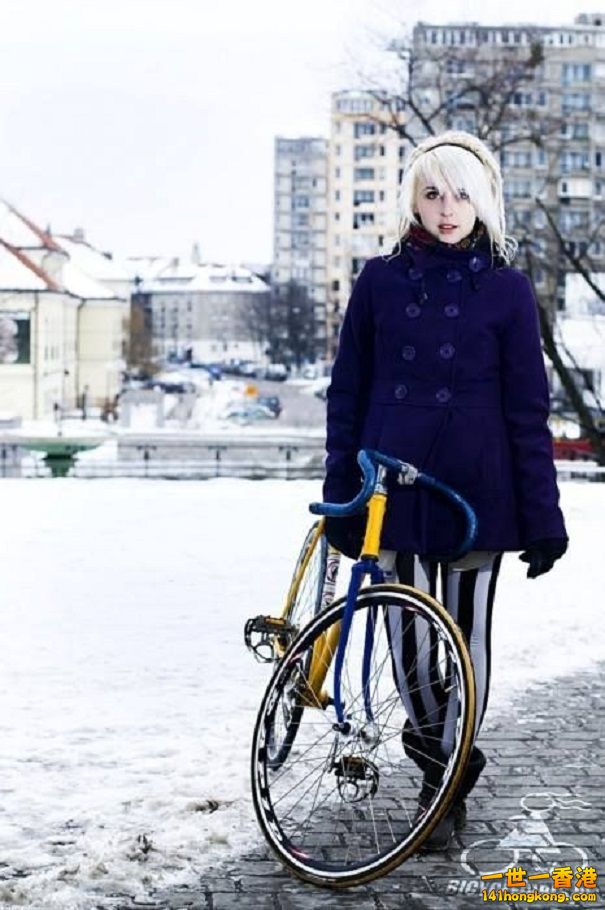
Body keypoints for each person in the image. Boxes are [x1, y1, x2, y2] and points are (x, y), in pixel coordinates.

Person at [322, 130, 568, 851]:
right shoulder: (377, 280)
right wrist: (342, 485)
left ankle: (440, 784)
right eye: (432, 193)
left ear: (484, 197)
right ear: (413, 200)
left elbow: (528, 409)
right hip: (387, 481)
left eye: (461, 193)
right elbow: (347, 392)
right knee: (407, 641)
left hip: (476, 489)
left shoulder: (506, 290)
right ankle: (444, 759)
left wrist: (542, 514)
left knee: (464, 641)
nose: (447, 208)